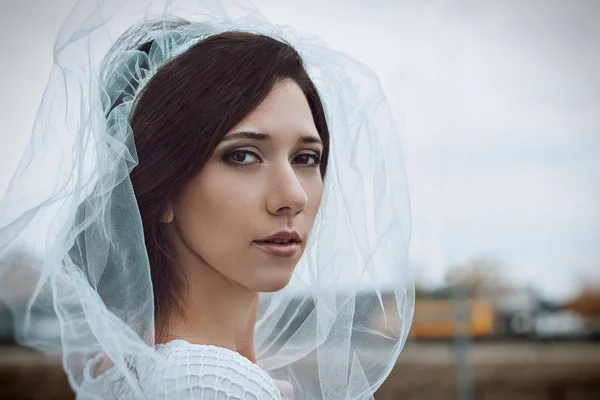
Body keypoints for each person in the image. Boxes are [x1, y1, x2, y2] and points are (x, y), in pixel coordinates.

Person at [0, 1, 413, 399]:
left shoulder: (130, 372)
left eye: (306, 158)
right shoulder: (210, 384)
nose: (293, 196)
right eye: (242, 156)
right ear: (164, 189)